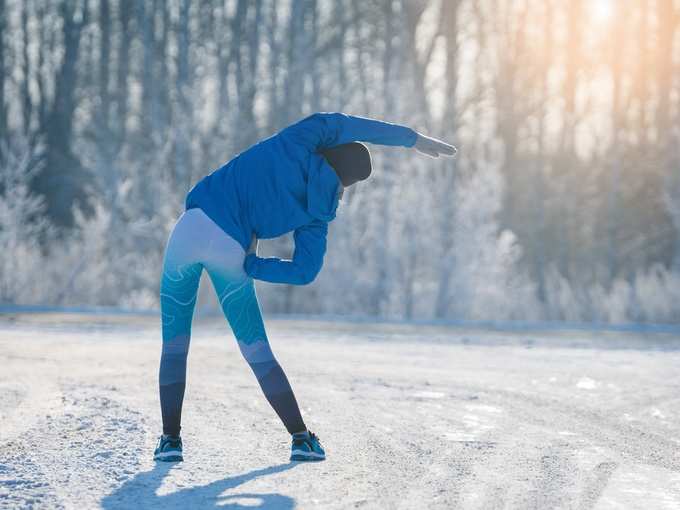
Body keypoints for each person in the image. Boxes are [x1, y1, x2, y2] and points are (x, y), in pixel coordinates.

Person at [154, 112, 456, 463]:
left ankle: (170, 441)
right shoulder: (320, 213)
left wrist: (411, 138)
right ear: (348, 182)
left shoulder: (302, 139)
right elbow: (304, 272)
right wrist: (253, 265)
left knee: (175, 343)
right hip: (231, 251)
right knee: (256, 351)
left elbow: (358, 127)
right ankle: (301, 438)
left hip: (190, 227)